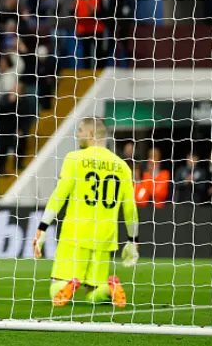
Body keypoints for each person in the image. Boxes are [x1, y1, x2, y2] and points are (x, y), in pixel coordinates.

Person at [32, 118, 139, 307]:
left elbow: (59, 196)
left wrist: (42, 227)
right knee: (93, 293)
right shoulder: (122, 166)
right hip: (105, 238)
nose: (78, 134)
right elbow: (130, 208)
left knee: (56, 287)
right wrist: (133, 241)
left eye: (80, 130)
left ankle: (69, 285)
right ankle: (108, 288)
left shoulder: (75, 158)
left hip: (75, 234)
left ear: (90, 134)